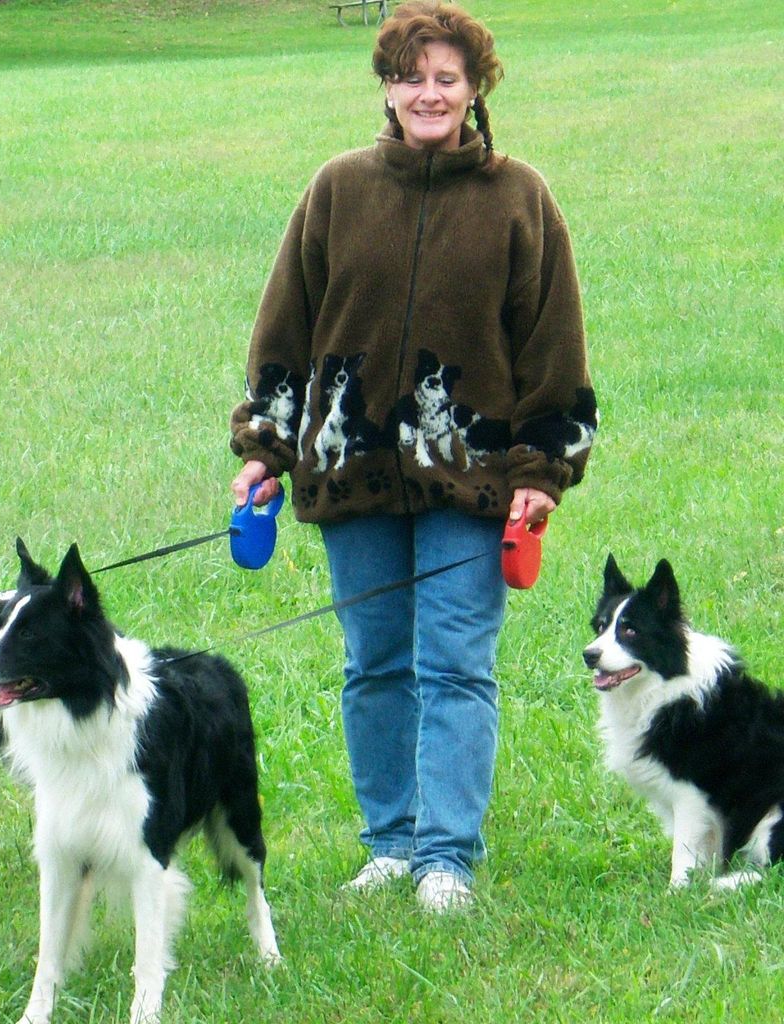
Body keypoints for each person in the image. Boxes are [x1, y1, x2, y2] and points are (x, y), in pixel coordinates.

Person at [229, 1, 596, 913]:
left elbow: (554, 355)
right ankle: (390, 843)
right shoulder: (335, 190)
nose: (427, 94)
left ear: (475, 90)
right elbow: (284, 333)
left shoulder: (522, 200)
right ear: (386, 88)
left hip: (470, 484)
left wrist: (538, 475)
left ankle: (447, 858)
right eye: (410, 77)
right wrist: (265, 451)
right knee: (375, 663)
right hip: (347, 470)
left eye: (446, 78)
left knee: (457, 664)